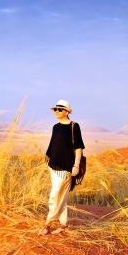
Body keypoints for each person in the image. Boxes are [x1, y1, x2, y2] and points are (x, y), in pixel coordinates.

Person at [38, 100, 85, 235]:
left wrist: (76, 165)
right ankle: (64, 226)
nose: (57, 112)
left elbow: (78, 148)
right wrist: (49, 160)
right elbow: (54, 145)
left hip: (67, 167)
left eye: (60, 109)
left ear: (67, 111)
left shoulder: (74, 126)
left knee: (54, 194)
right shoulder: (55, 127)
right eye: (55, 109)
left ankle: (48, 223)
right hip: (53, 165)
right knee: (61, 195)